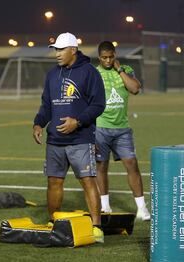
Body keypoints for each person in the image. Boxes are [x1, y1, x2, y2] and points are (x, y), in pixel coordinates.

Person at [33, 32, 106, 243]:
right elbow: (46, 105)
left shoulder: (89, 72)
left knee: (88, 181)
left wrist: (78, 121)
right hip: (55, 141)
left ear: (73, 50)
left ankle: (96, 227)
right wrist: (38, 123)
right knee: (54, 182)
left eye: (61, 49)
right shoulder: (52, 75)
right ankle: (54, 221)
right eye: (55, 49)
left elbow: (98, 104)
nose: (57, 54)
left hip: (81, 139)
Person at [95, 41, 150, 221]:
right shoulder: (94, 73)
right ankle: (105, 206)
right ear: (99, 57)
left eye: (111, 56)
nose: (108, 60)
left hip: (122, 129)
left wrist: (120, 71)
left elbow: (134, 89)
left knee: (132, 164)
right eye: (104, 57)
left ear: (115, 55)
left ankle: (141, 209)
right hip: (100, 128)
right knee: (101, 166)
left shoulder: (126, 69)